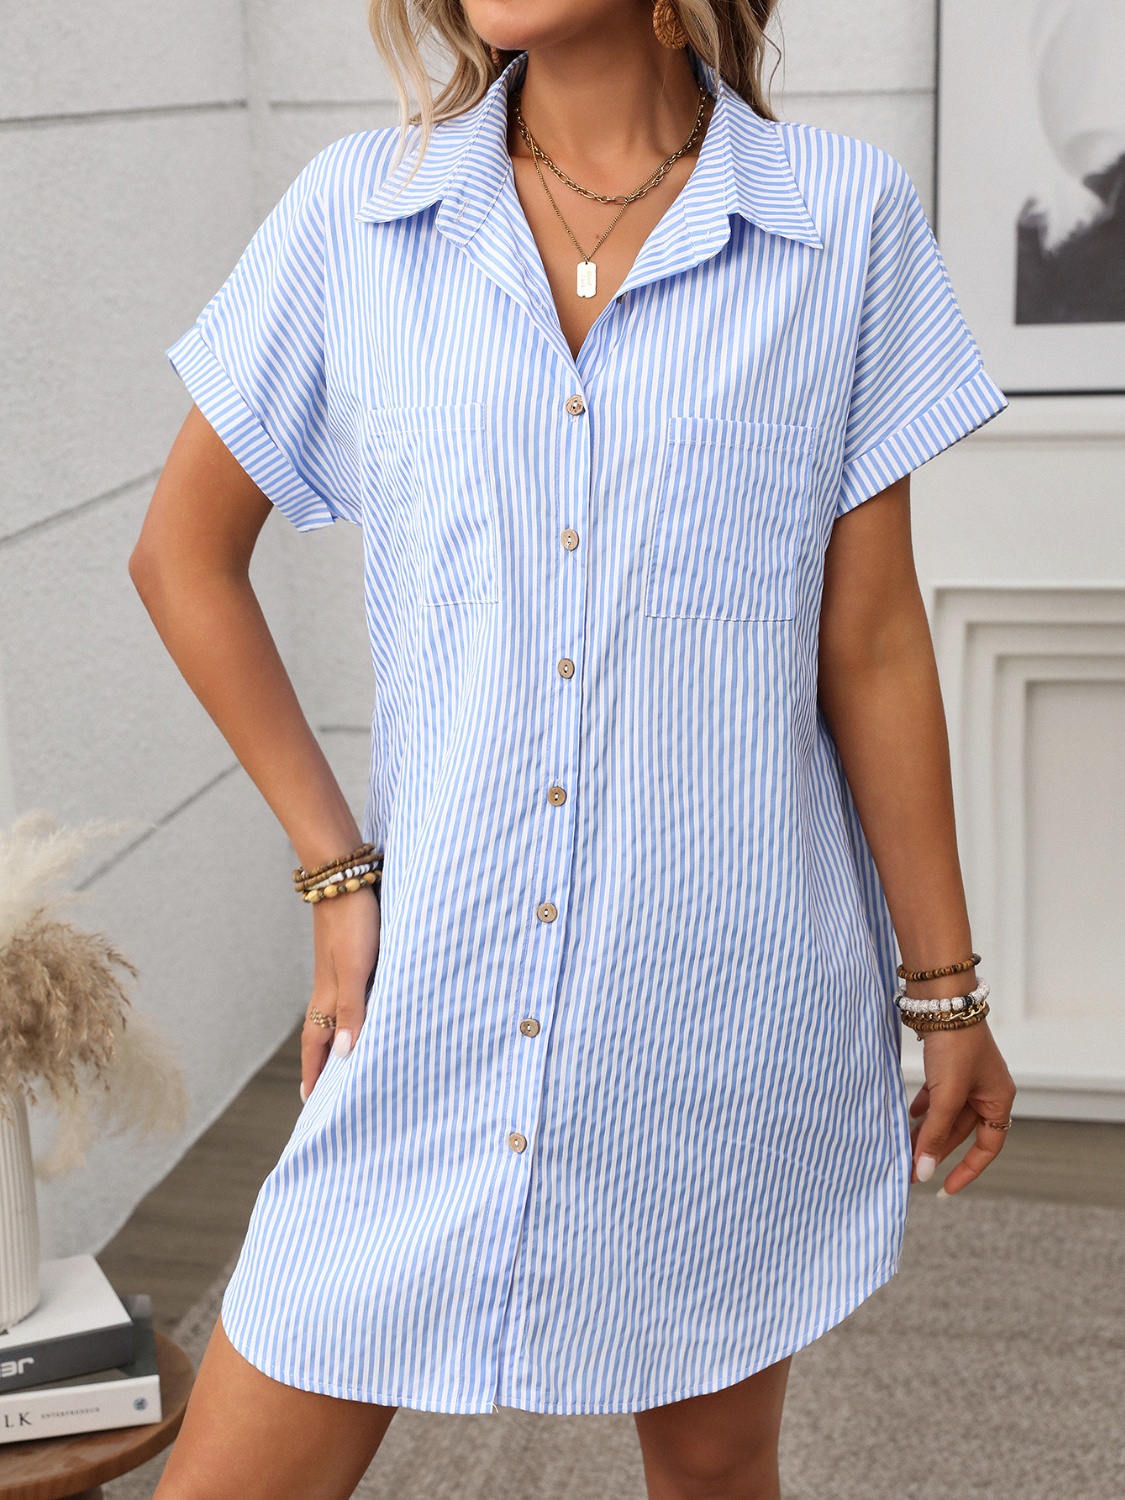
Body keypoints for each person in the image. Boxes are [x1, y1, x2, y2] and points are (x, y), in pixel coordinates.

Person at [130, 3, 1018, 1497]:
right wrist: (335, 873)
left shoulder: (840, 222)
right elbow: (181, 559)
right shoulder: (361, 214)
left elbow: (868, 643)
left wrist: (945, 992)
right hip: (439, 990)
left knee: (714, 1466)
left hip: (721, 995)